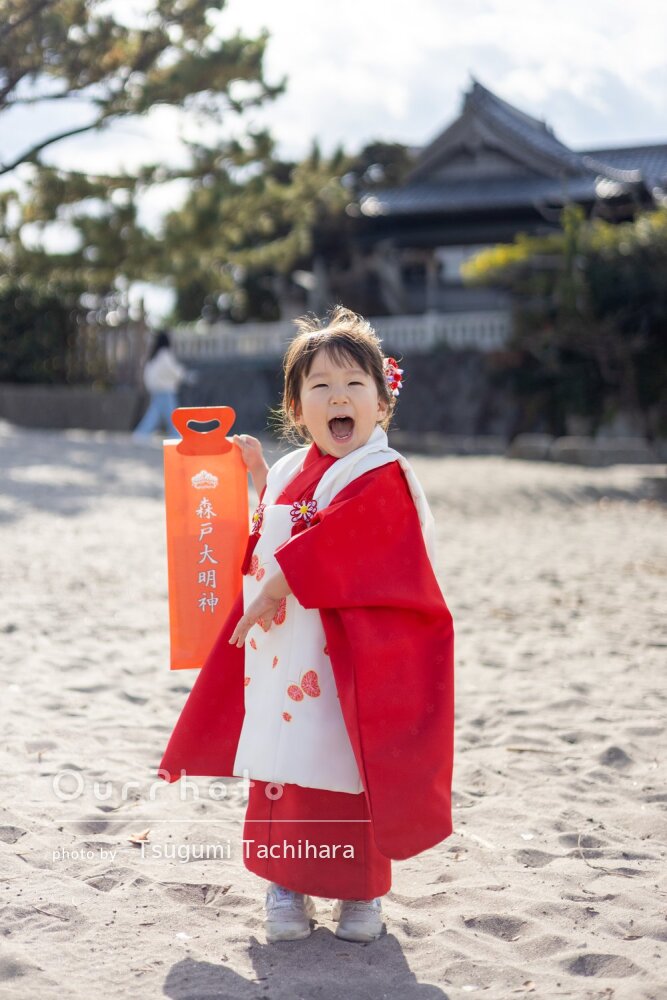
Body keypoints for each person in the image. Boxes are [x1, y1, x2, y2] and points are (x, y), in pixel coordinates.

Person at [158, 306, 455, 944]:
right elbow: (285, 518)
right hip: (286, 648)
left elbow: (344, 537)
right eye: (320, 386)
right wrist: (260, 476)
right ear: (296, 407)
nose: (338, 397)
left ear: (382, 403)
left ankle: (361, 895)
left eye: (354, 384)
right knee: (282, 761)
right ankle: (285, 886)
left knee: (346, 761)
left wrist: (276, 586)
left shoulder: (382, 473)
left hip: (346, 652)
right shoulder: (296, 467)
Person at [133, 330, 193, 438]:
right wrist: (187, 376)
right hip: (165, 391)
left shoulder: (154, 356)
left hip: (155, 391)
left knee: (154, 416)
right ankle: (176, 436)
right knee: (173, 416)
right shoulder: (164, 355)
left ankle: (140, 435)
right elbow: (173, 370)